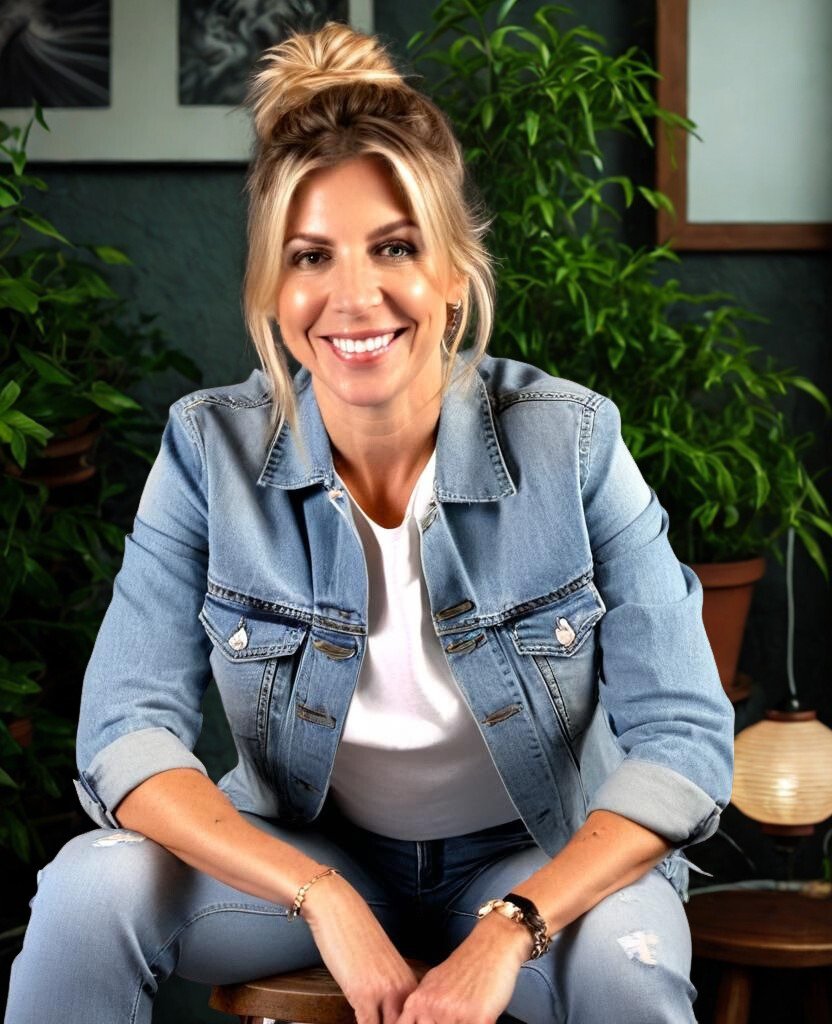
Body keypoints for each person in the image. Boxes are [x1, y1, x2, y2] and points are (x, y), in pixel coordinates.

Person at [5, 22, 734, 1024]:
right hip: (310, 856)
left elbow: (686, 741)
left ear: (450, 271)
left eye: (393, 246)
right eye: (311, 256)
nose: (353, 297)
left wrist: (510, 923)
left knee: (625, 954)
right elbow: (125, 735)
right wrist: (322, 893)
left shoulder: (573, 441)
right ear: (271, 284)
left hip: (539, 861)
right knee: (89, 888)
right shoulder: (205, 450)